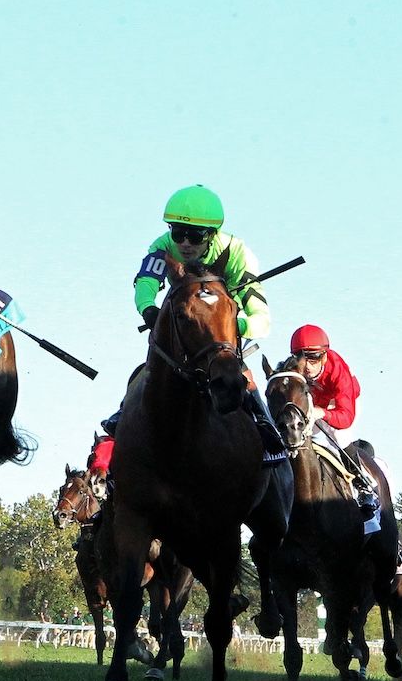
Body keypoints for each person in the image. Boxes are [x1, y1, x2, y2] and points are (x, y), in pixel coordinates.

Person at [125, 183, 284, 457]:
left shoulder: (236, 253)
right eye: (178, 233)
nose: (185, 243)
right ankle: (122, 419)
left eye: (195, 236)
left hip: (221, 342)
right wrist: (148, 309)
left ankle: (264, 424)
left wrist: (231, 326)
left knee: (243, 376)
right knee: (146, 372)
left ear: (212, 235)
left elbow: (262, 320)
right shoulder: (163, 247)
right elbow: (146, 283)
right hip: (181, 336)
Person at [289, 323, 379, 518]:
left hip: (339, 405)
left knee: (338, 435)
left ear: (325, 355)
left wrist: (323, 413)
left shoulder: (339, 371)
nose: (308, 366)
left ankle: (363, 485)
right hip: (312, 404)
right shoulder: (295, 370)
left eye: (315, 358)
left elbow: (346, 417)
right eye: (302, 358)